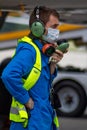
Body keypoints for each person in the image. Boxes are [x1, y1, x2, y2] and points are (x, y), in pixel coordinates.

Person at [1, 6, 64, 130]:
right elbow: (8, 75)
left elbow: (42, 82)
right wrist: (26, 100)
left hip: (43, 119)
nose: (57, 31)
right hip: (31, 122)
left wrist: (53, 63)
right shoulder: (29, 51)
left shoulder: (42, 50)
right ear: (38, 28)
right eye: (54, 26)